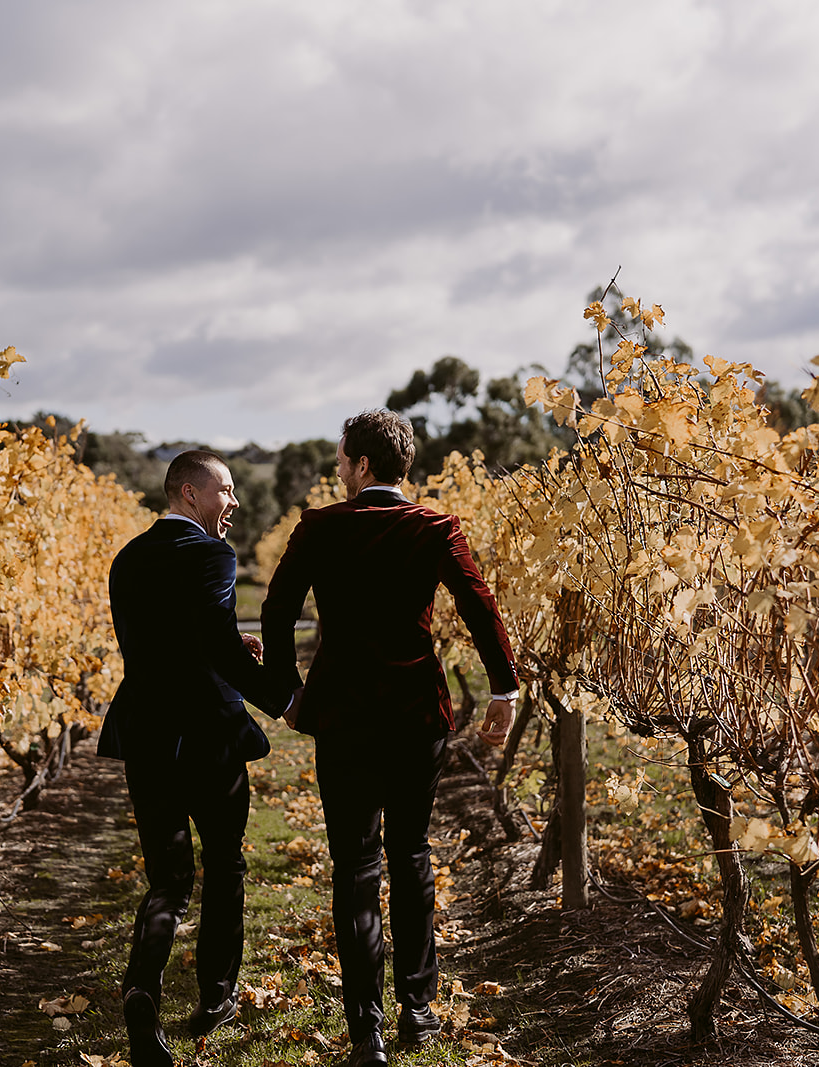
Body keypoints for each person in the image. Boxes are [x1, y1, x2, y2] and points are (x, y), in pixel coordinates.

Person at [261, 410, 518, 1067]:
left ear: (363, 465)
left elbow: (277, 608)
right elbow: (478, 602)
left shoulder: (319, 527)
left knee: (355, 865)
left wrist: (286, 693)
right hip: (415, 716)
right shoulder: (435, 526)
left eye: (342, 458)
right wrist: (503, 690)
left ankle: (365, 1029)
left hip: (342, 719)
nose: (338, 468)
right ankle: (418, 1007)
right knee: (409, 853)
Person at [98, 449, 293, 1067]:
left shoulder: (127, 558)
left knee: (168, 878)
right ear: (189, 494)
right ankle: (216, 995)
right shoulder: (212, 554)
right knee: (226, 864)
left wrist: (224, 643)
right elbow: (209, 644)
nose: (232, 502)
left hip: (147, 733)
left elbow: (160, 640)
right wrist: (285, 701)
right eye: (224, 490)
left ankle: (141, 988)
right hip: (207, 734)